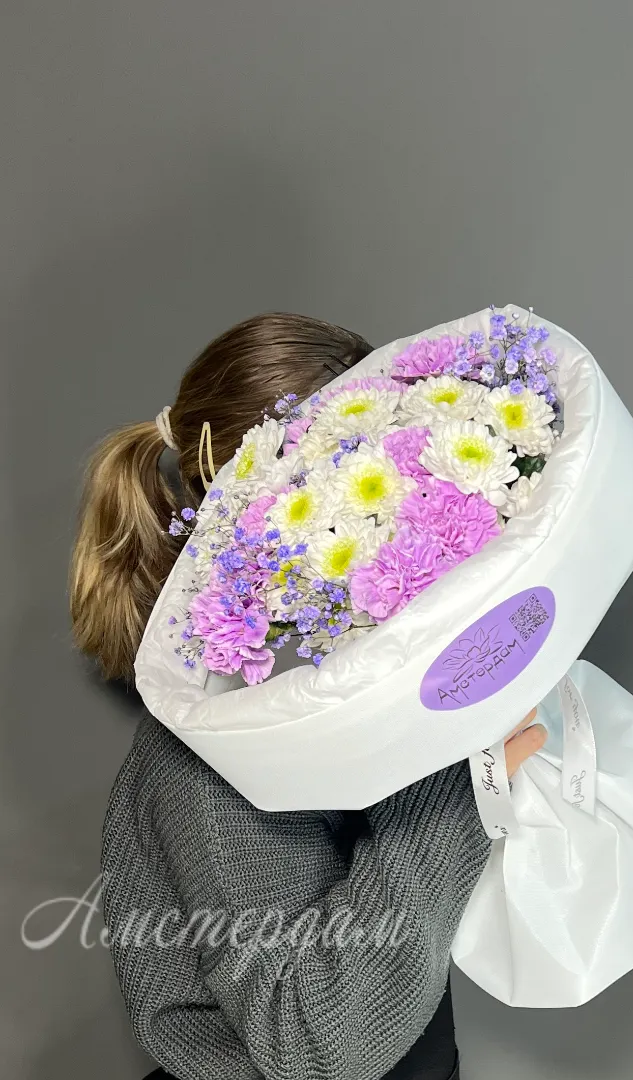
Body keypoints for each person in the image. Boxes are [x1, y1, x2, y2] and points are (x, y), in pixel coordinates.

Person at [70, 312, 547, 1080]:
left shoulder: (347, 682)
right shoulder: (211, 746)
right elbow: (316, 1045)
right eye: (362, 472)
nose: (398, 503)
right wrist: (463, 789)